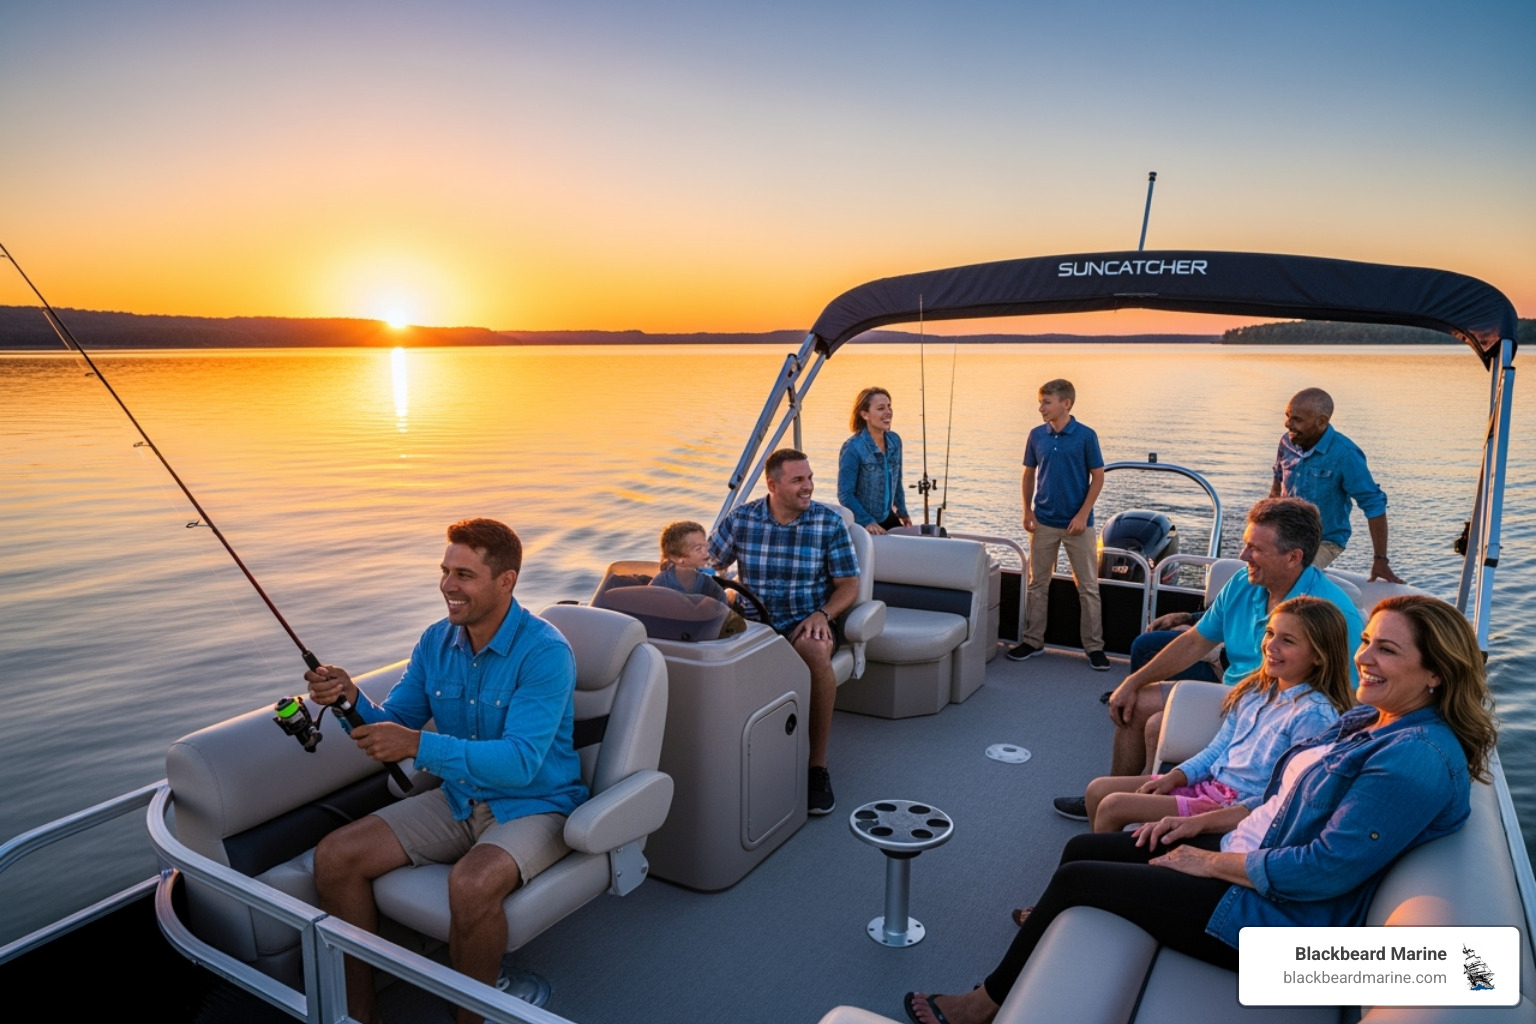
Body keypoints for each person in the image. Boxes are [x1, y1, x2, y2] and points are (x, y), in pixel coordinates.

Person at [905, 595, 1495, 1024]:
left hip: (1281, 929)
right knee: (1085, 847)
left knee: (1083, 879)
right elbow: (1277, 803)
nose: (1365, 658)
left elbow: (1321, 871)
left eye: (1387, 650)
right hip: (1255, 859)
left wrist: (1205, 863)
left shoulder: (1412, 758)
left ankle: (981, 1005)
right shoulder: (1374, 719)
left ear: (1437, 674)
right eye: (1367, 641)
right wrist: (1195, 823)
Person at [306, 519, 587, 1024]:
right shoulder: (436, 641)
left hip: (536, 803)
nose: (448, 586)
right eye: (444, 571)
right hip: (459, 797)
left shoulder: (546, 652)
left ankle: (471, 1019)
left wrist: (418, 745)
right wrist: (350, 697)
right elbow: (395, 722)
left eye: (464, 575)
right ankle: (357, 1015)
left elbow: (522, 762)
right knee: (335, 856)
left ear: (506, 581)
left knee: (472, 883)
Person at [1052, 498, 1364, 819]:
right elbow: (1196, 640)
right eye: (1245, 545)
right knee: (1135, 701)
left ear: (1293, 557)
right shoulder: (1245, 582)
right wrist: (1133, 681)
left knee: (1158, 722)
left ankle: (1138, 805)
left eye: (1255, 549)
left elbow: (1347, 703)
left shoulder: (1336, 617)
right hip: (1236, 693)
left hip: (1273, 711)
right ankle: (1117, 792)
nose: (1243, 556)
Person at [1081, 596, 1352, 835]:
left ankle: (1108, 869)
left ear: (1319, 656)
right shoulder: (1255, 690)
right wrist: (1176, 776)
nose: (1271, 645)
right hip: (1211, 785)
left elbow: (1286, 796)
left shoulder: (1314, 716)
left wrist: (1212, 816)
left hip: (1231, 807)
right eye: (1270, 633)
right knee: (1097, 790)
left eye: (1288, 640)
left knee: (1113, 806)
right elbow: (1217, 750)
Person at [709, 448, 860, 815]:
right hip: (752, 624)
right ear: (772, 485)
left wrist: (823, 614)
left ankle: (817, 767)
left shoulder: (827, 523)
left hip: (805, 620)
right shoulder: (741, 519)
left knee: (813, 650)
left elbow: (849, 585)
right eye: (798, 480)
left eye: (809, 478)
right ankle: (718, 759)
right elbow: (710, 565)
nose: (808, 486)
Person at [1007, 379, 1109, 671]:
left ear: (1066, 404)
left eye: (1046, 402)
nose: (1041, 408)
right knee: (1037, 583)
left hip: (1079, 525)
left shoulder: (1086, 436)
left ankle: (1095, 648)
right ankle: (1032, 641)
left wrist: (1081, 515)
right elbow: (1028, 475)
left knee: (1088, 586)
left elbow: (1098, 477)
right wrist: (1027, 510)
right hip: (1044, 522)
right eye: (1040, 402)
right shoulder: (1036, 435)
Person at [1271, 387, 1404, 583]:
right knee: (1255, 567)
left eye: (1297, 419)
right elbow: (1277, 483)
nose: (1287, 424)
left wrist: (1380, 560)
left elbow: (1374, 504)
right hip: (1286, 534)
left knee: (1293, 576)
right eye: (1288, 416)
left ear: (1321, 422)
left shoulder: (1345, 454)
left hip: (1325, 540)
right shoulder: (1287, 442)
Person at [650, 519, 746, 637]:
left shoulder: (708, 583)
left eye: (705, 545)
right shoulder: (660, 584)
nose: (706, 551)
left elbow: (724, 612)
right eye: (698, 549)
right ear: (678, 558)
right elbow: (651, 614)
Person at [838, 387, 912, 534]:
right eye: (880, 408)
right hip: (861, 522)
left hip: (886, 516)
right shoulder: (853, 448)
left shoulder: (894, 441)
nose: (888, 412)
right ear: (865, 414)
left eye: (889, 406)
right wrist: (867, 522)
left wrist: (902, 511)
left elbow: (897, 482)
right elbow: (845, 495)